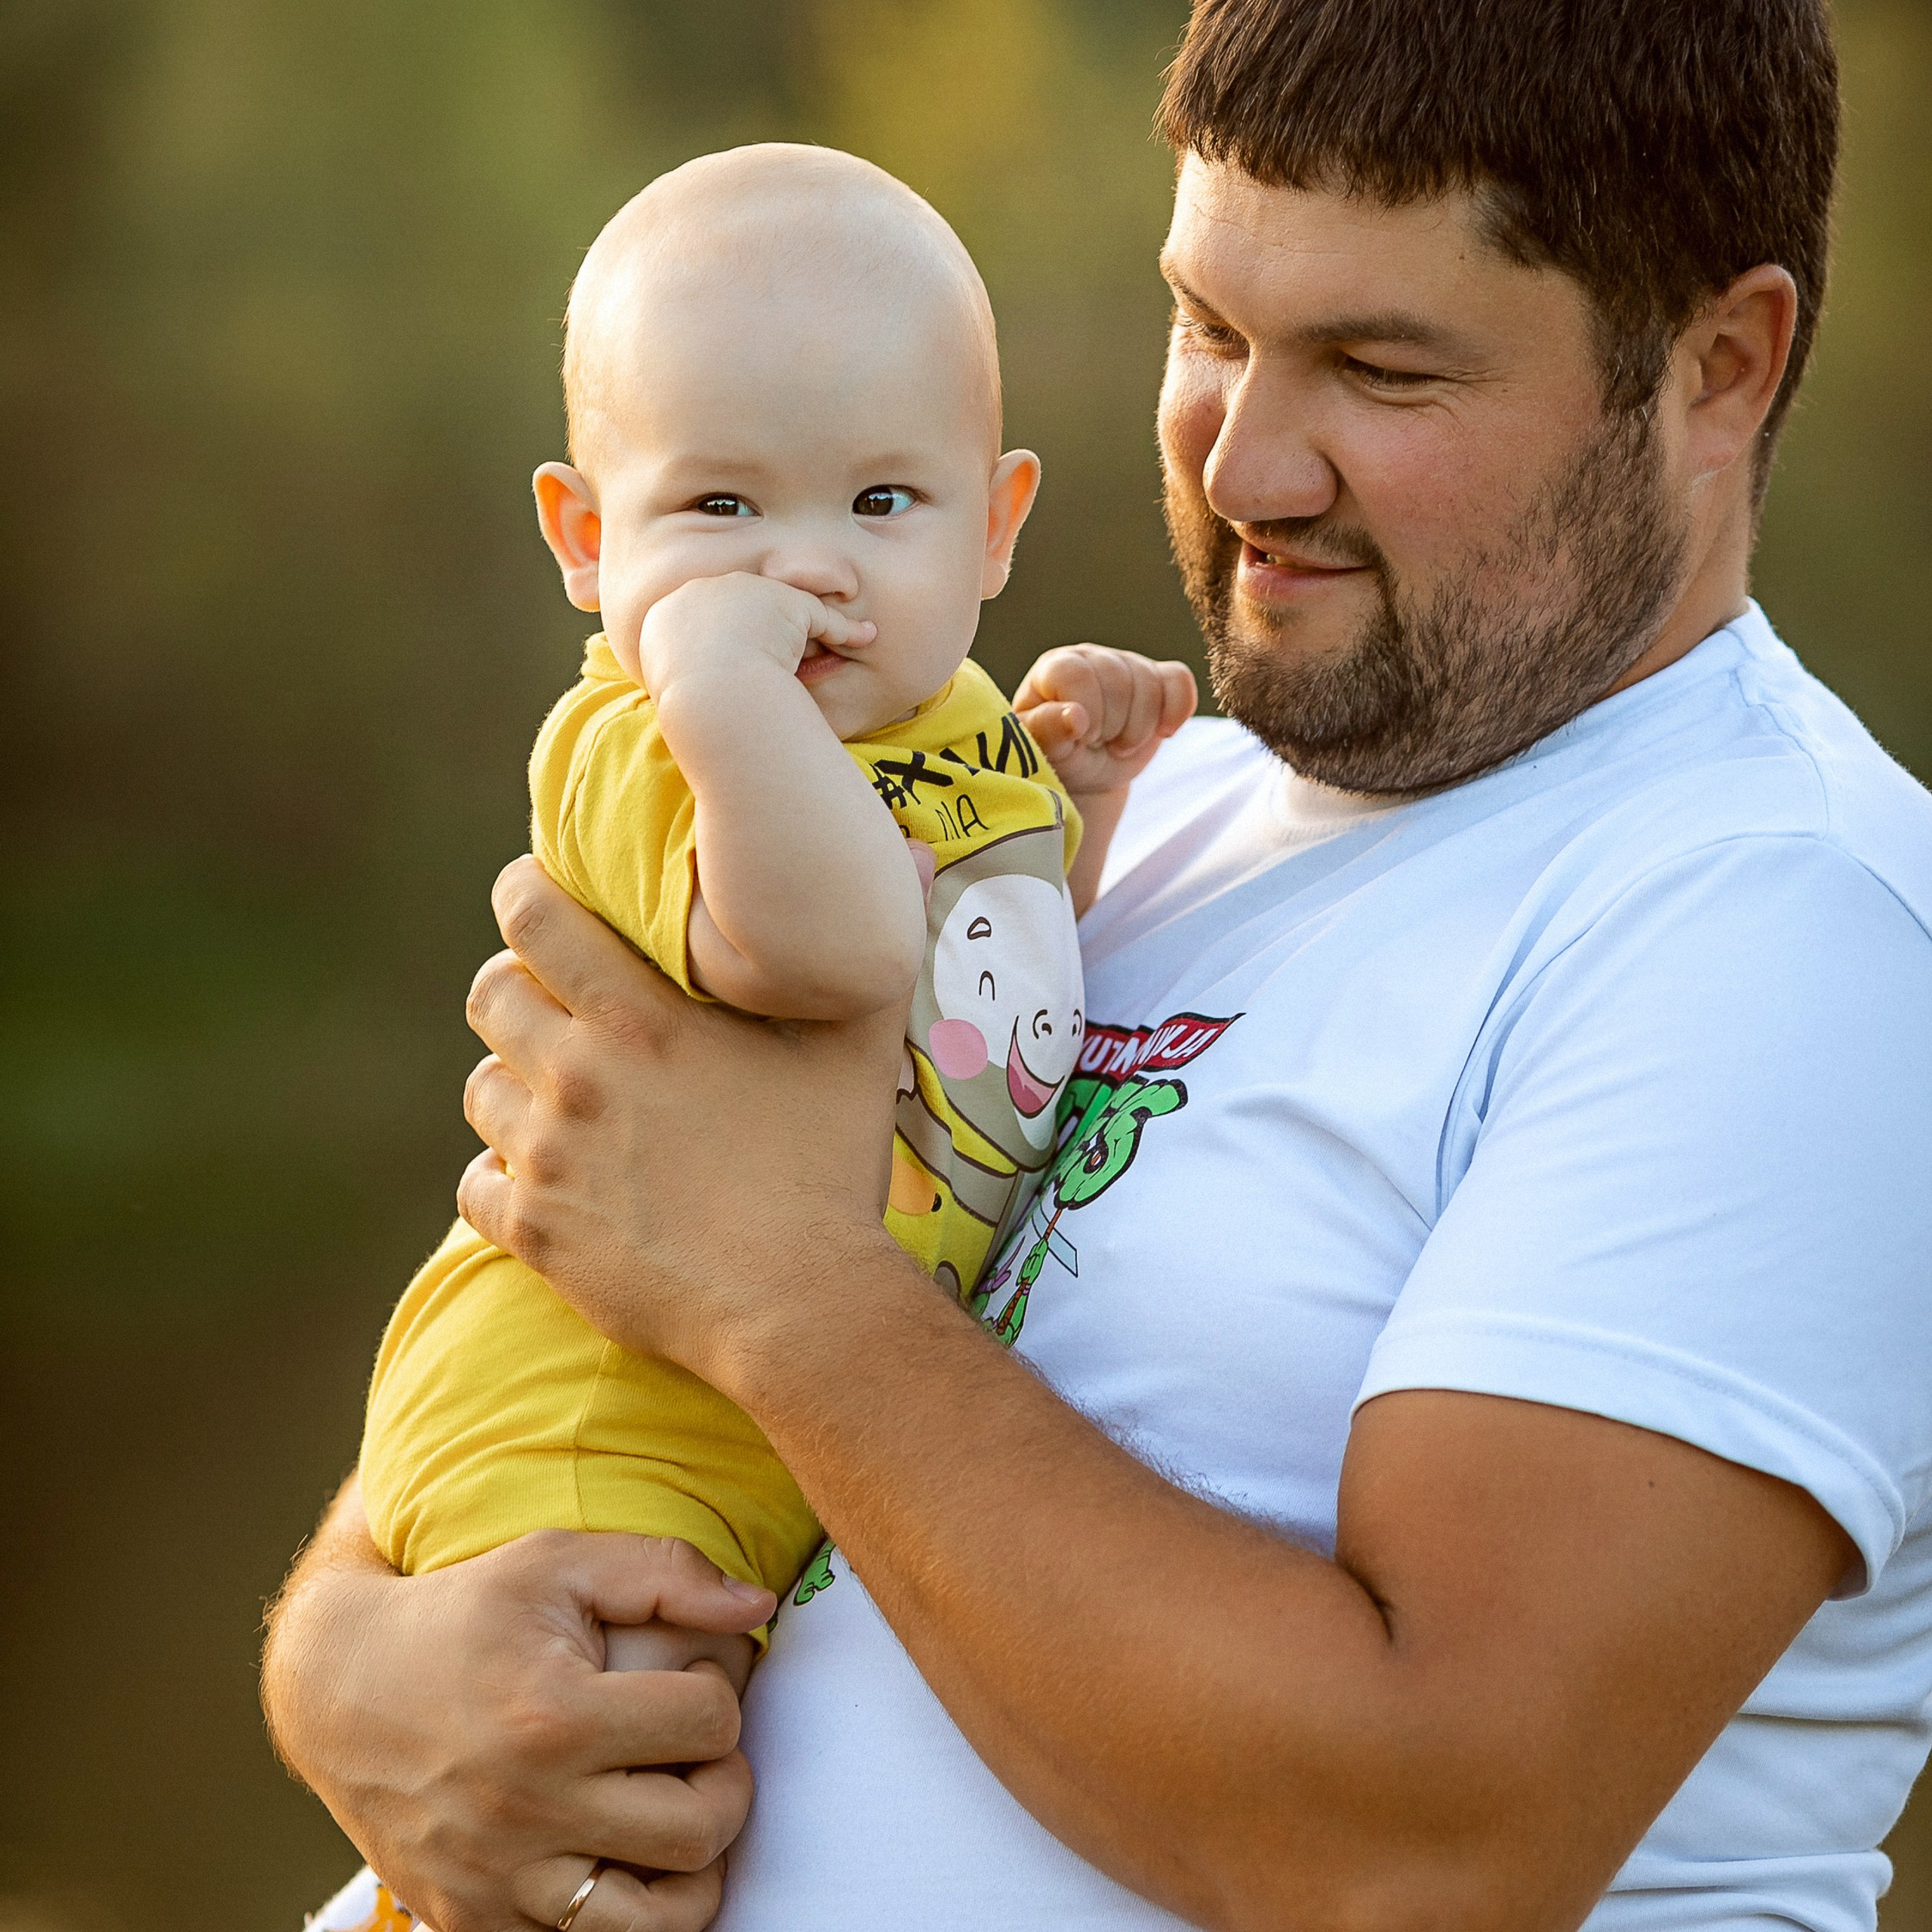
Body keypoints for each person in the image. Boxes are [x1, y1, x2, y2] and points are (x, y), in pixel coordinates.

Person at [262, 2, 1932, 1928]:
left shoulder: (1781, 930)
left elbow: (1420, 1844)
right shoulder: (1106, 808)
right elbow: (565, 1287)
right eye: (1210, 330)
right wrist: (347, 1667)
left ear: (1718, 366)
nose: (1246, 465)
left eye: (1379, 370)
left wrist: (781, 1292)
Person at [309, 146, 1196, 1929]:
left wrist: (1068, 809)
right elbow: (835, 942)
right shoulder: (645, 744)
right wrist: (709, 675)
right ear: (587, 540)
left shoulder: (950, 726)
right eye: (717, 511)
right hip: (585, 1419)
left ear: (998, 521)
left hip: (751, 1432)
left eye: (882, 502)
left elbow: (988, 977)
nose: (804, 572)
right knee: (594, 1790)